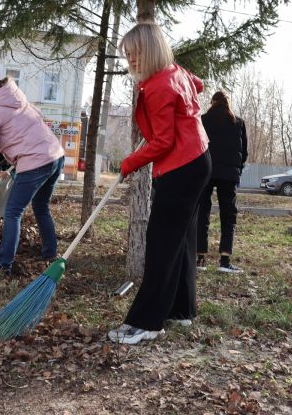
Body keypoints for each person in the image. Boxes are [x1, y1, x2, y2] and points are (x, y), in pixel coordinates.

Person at [108, 22, 211, 345]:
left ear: (150, 51)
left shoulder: (158, 86)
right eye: (127, 55)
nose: (131, 61)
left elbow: (164, 141)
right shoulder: (173, 72)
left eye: (136, 54)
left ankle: (147, 322)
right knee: (179, 240)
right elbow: (199, 84)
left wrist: (129, 163)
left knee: (161, 244)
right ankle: (181, 310)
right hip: (198, 160)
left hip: (181, 166)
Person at [0, 73, 65, 274]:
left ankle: (3, 265)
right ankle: (50, 252)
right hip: (55, 155)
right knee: (41, 207)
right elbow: (32, 125)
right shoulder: (17, 98)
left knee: (12, 212)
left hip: (35, 161)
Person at [197, 91, 248, 274]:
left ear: (213, 102)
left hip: (206, 172)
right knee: (228, 216)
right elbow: (245, 152)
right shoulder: (238, 122)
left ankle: (200, 258)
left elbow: (197, 146)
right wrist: (238, 170)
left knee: (202, 213)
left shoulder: (203, 120)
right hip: (229, 175)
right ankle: (224, 261)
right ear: (228, 103)